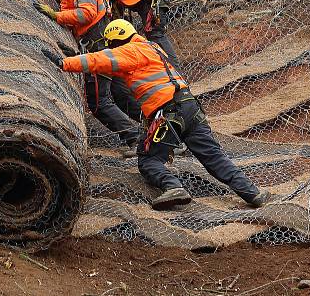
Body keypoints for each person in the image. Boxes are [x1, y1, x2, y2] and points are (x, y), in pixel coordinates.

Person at [42, 19, 269, 210]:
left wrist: (65, 63)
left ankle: (173, 187)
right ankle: (252, 193)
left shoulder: (130, 51)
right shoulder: (151, 47)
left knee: (149, 161)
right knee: (214, 157)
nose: (110, 49)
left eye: (111, 45)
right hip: (191, 106)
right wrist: (82, 57)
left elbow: (100, 60)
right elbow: (105, 63)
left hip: (168, 113)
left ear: (116, 41)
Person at [35, 0, 140, 155]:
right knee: (119, 92)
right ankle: (160, 133)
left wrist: (57, 15)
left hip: (96, 43)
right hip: (103, 39)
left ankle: (137, 139)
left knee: (98, 101)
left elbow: (86, 13)